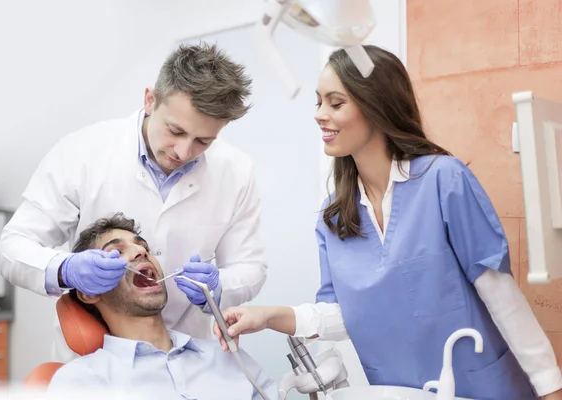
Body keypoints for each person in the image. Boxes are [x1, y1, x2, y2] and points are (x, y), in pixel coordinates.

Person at [212, 45, 562, 400]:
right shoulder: (334, 217)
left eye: (335, 103)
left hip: (481, 387)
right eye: (318, 102)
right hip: (399, 390)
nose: (320, 114)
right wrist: (266, 316)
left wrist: (550, 387)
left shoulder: (444, 181)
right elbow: (339, 315)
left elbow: (500, 294)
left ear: (376, 105)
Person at [0, 42, 268, 362]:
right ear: (150, 100)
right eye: (175, 130)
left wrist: (220, 286)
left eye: (203, 141)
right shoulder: (81, 153)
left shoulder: (235, 171)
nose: (183, 152)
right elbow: (12, 247)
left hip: (186, 355)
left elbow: (251, 266)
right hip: (94, 358)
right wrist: (65, 269)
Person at [47, 213, 277, 400]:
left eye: (143, 247)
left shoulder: (228, 356)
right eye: (116, 252)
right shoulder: (81, 382)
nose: (141, 252)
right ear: (89, 292)